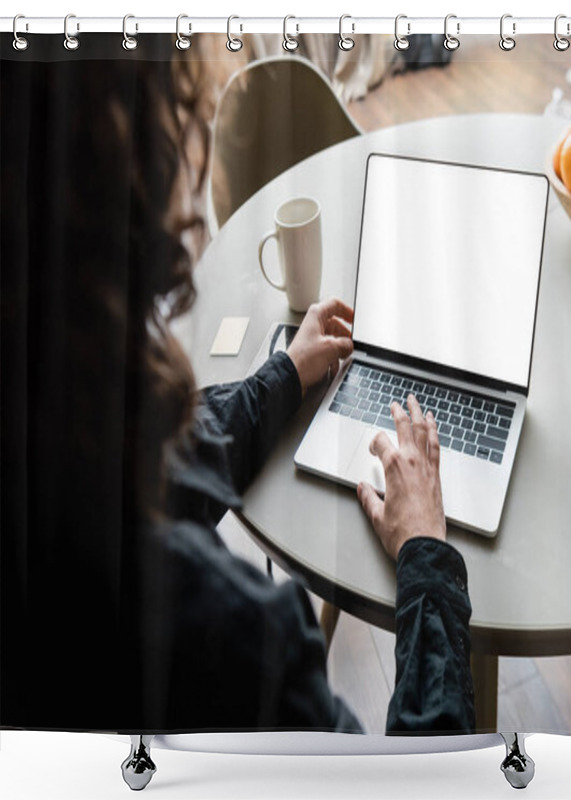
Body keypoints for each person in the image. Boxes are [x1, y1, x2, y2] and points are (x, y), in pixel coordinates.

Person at [0, 35, 474, 735]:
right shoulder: (232, 641)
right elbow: (425, 780)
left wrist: (284, 374)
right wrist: (425, 558)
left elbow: (155, 468)